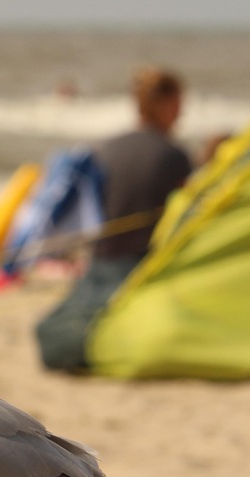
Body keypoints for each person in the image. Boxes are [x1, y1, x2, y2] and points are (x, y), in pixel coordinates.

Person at [35, 66, 192, 372]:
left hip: (99, 262)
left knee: (63, 326)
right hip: (140, 267)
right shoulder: (174, 156)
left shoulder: (107, 148)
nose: (181, 112)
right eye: (178, 103)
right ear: (163, 104)